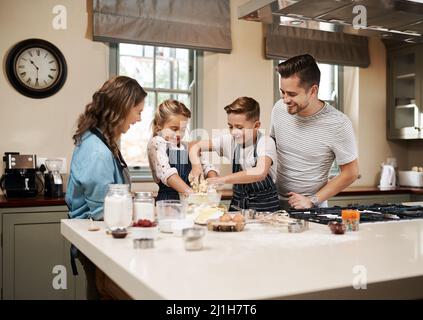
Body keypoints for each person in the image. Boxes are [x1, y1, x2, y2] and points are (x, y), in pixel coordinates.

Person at [66, 75, 147, 299]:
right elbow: (104, 212)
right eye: (138, 112)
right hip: (95, 237)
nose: (139, 119)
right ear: (121, 108)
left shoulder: (101, 139)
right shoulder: (97, 150)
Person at [271, 54, 359, 210]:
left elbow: (351, 173)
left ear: (313, 91)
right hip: (273, 203)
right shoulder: (279, 109)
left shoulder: (338, 124)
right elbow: (272, 146)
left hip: (311, 208)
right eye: (282, 92)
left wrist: (312, 200)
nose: (285, 99)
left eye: (291, 94)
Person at [189, 97, 280, 212]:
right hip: (237, 207)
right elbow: (193, 145)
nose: (233, 132)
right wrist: (196, 166)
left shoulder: (266, 142)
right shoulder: (230, 141)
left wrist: (221, 180)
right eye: (230, 126)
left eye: (239, 127)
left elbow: (260, 172)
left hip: (265, 209)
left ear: (256, 126)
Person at [147, 99, 218, 200]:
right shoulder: (157, 143)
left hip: (189, 202)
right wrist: (193, 195)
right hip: (169, 202)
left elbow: (207, 167)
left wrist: (213, 183)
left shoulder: (187, 146)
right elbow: (168, 174)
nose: (179, 134)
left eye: (183, 130)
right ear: (159, 124)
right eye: (174, 129)